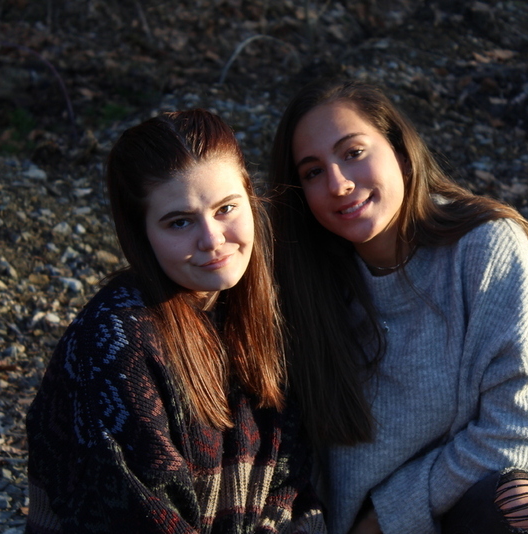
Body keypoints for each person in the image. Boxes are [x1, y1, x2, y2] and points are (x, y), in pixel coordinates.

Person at [267, 78, 528, 534]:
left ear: (402, 154)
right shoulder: (303, 286)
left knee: (520, 505)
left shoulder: (484, 246)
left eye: (353, 153)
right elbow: (291, 459)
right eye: (312, 172)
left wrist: (385, 518)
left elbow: (522, 427)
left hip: (456, 511)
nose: (339, 184)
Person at [25, 109, 327, 533]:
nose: (212, 239)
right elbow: (140, 519)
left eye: (226, 208)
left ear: (250, 197)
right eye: (180, 222)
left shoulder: (263, 310)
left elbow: (289, 488)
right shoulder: (115, 344)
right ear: (141, 233)